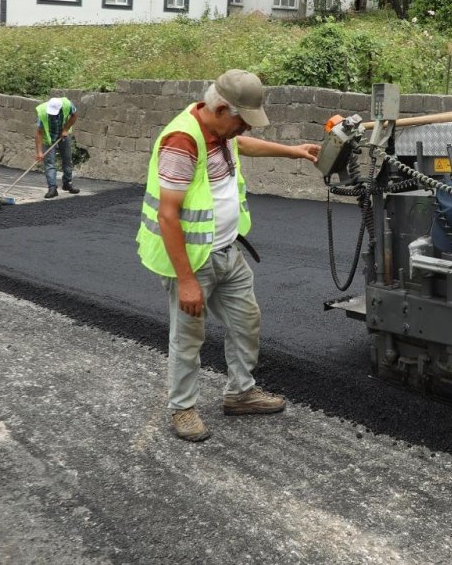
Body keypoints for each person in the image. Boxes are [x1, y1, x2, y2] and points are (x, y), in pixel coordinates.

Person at [137, 69, 320, 442]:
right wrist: (187, 281)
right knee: (189, 336)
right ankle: (182, 408)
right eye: (242, 120)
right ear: (221, 109)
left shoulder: (221, 133)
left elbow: (243, 145)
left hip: (227, 250)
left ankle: (240, 393)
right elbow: (167, 215)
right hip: (192, 261)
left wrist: (295, 152)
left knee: (245, 321)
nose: (245, 128)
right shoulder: (181, 141)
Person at [34, 96, 80, 199]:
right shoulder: (42, 112)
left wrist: (65, 129)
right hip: (48, 138)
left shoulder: (68, 104)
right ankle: (52, 188)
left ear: (60, 108)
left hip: (63, 134)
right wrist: (39, 152)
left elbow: (74, 115)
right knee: (50, 163)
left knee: (67, 160)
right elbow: (39, 133)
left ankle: (67, 183)